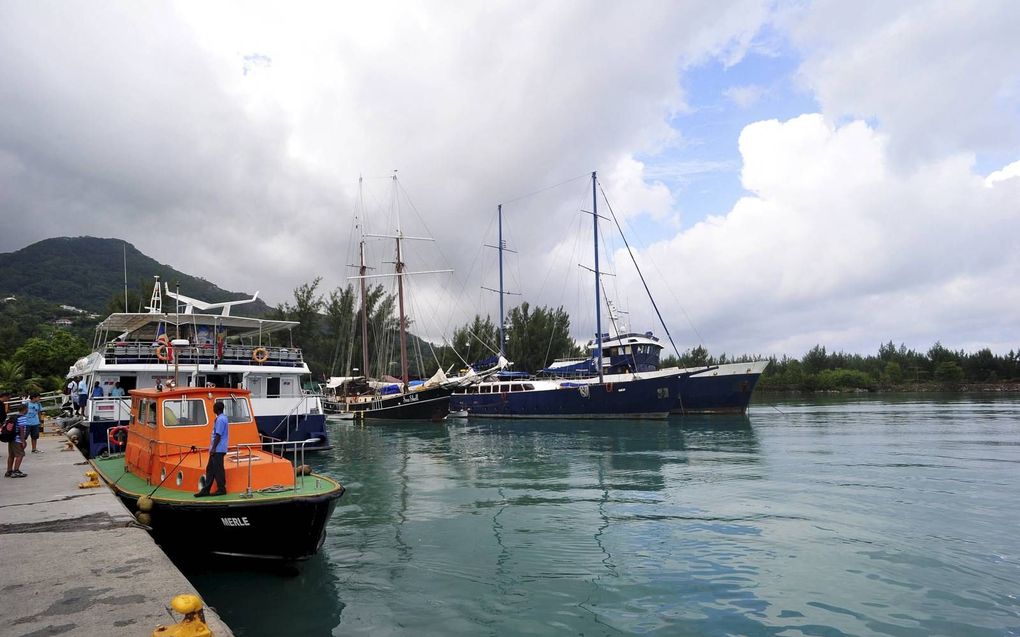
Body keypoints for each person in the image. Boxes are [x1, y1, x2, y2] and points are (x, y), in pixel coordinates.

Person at [195, 400, 228, 497]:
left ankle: (221, 489)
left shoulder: (221, 420)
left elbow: (218, 435)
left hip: (218, 449)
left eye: (214, 407)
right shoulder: (221, 418)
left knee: (218, 469)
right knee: (210, 469)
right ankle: (206, 490)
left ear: (217, 409)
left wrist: (213, 448)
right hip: (216, 449)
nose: (212, 409)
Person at [5, 405, 28, 477]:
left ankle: (9, 471)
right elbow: (21, 429)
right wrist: (23, 441)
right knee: (20, 455)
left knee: (11, 455)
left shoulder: (14, 416)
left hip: (11, 438)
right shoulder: (22, 418)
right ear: (25, 409)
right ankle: (16, 471)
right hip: (17, 439)